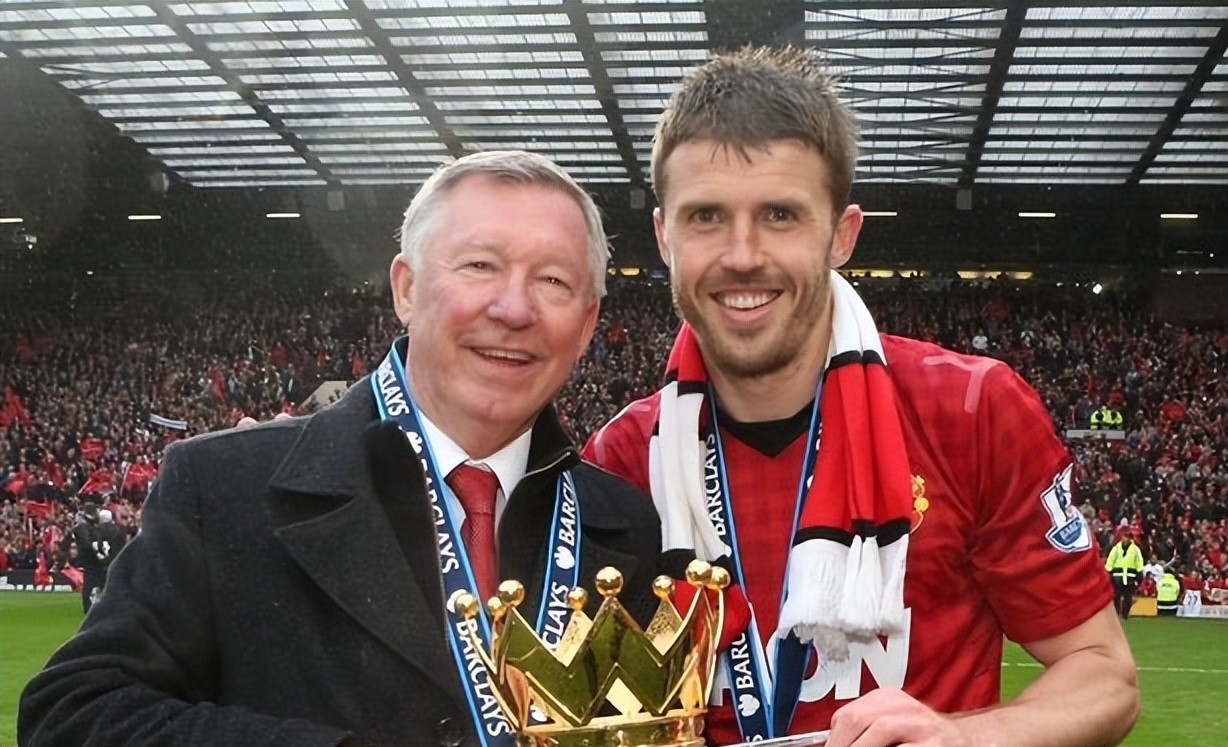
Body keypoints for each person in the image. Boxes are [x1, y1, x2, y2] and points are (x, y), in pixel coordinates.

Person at [584, 46, 1138, 747]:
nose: (742, 254)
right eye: (706, 217)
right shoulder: (621, 459)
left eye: (780, 214)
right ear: (664, 236)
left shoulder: (969, 409)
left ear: (841, 234)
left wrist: (961, 739)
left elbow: (1103, 674)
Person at [19, 151, 662, 747]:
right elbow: (72, 713)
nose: (514, 308)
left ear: (586, 324)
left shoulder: (625, 524)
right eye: (479, 266)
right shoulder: (223, 488)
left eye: (552, 280)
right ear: (406, 289)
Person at [1105, 534, 1144, 619]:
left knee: (1128, 597)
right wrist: (1108, 571)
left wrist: (1139, 572)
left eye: (1126, 537)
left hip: (1130, 576)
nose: (1125, 539)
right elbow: (1110, 560)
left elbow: (1139, 561)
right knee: (1116, 596)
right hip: (1117, 576)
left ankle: (1125, 614)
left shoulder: (1135, 549)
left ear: (1130, 538)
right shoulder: (1116, 548)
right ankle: (1117, 613)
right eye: (1124, 537)